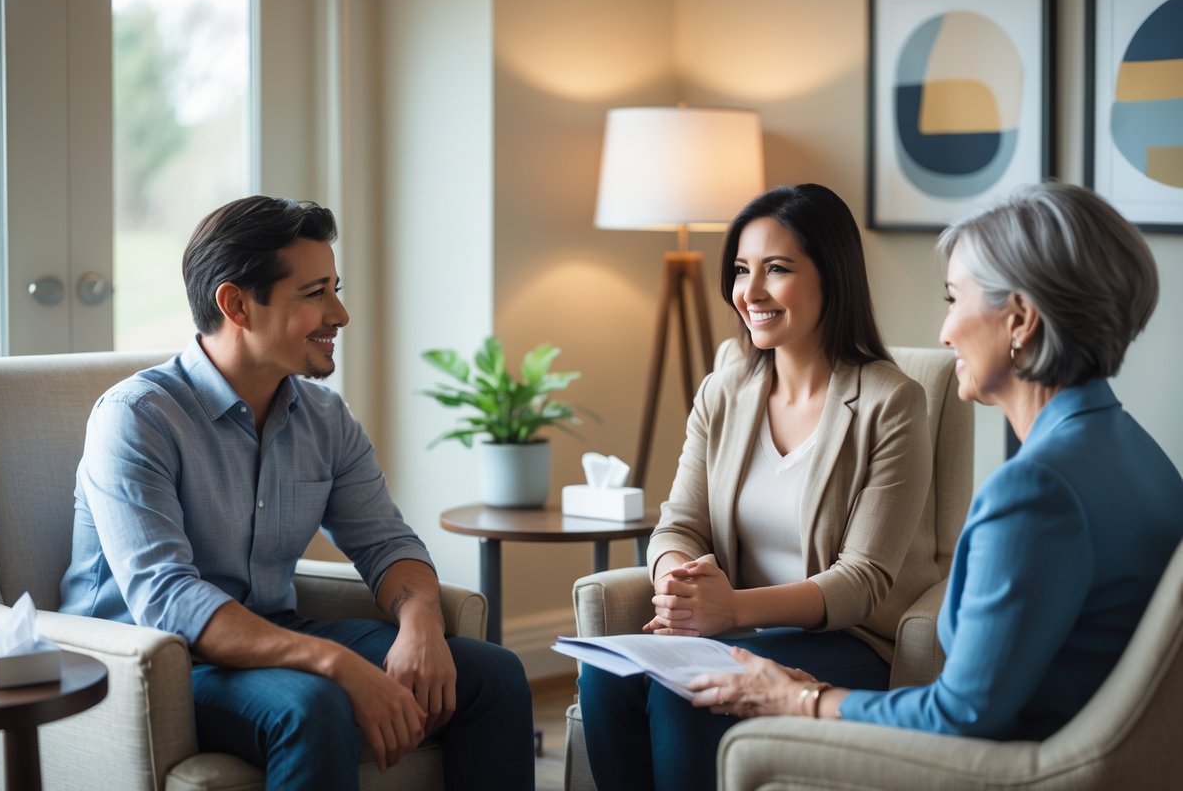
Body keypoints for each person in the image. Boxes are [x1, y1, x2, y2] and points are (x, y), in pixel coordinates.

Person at [59, 196, 535, 790]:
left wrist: (422, 624)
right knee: (313, 704)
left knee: (493, 673)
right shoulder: (136, 418)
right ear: (235, 304)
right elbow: (168, 599)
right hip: (148, 659)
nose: (340, 314)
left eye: (335, 288)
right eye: (315, 294)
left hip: (269, 630)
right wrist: (337, 664)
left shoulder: (324, 417)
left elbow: (386, 541)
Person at [688, 182, 1183, 741]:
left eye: (954, 299)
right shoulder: (1143, 457)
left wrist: (799, 697)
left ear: (1019, 319)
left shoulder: (1035, 490)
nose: (944, 334)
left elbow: (959, 715)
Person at [578, 183, 940, 790]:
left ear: (833, 275)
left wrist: (729, 610)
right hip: (734, 632)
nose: (751, 292)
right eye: (742, 270)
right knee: (604, 676)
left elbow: (862, 581)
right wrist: (678, 584)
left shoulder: (892, 402)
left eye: (777, 269)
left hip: (849, 643)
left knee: (685, 694)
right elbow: (678, 526)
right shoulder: (724, 390)